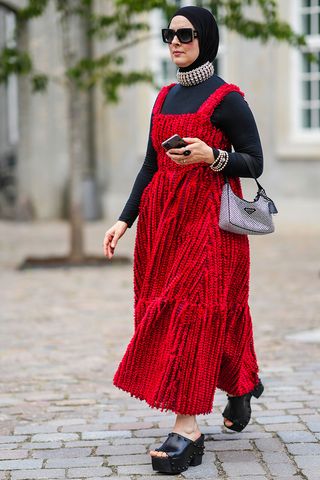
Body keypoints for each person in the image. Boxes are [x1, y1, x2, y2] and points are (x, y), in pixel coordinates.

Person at [103, 5, 265, 475]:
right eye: (168, 34)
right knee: (197, 312)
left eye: (186, 34)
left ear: (206, 39)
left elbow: (254, 161)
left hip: (210, 228)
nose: (175, 42)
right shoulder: (162, 98)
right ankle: (240, 387)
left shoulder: (228, 99)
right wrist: (124, 219)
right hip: (161, 229)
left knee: (190, 314)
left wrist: (212, 156)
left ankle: (187, 428)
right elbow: (150, 164)